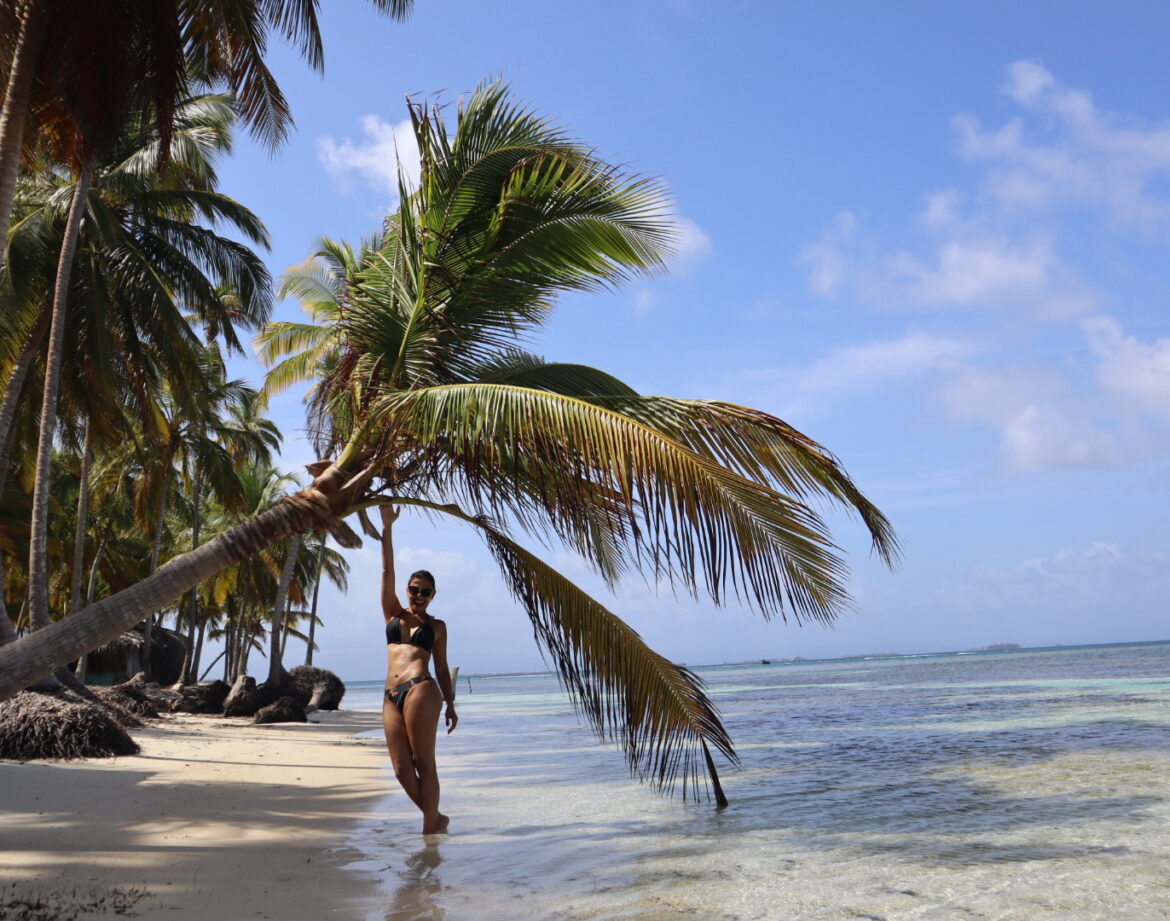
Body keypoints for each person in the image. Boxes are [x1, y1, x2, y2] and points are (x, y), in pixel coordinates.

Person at [379, 504, 457, 834]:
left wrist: (451, 704)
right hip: (390, 695)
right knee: (401, 768)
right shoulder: (393, 613)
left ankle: (429, 835)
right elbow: (387, 571)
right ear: (407, 590)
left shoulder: (437, 627)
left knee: (424, 762)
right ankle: (436, 818)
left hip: (422, 689)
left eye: (425, 592)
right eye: (414, 589)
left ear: (432, 595)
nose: (418, 595)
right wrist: (388, 527)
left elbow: (442, 667)